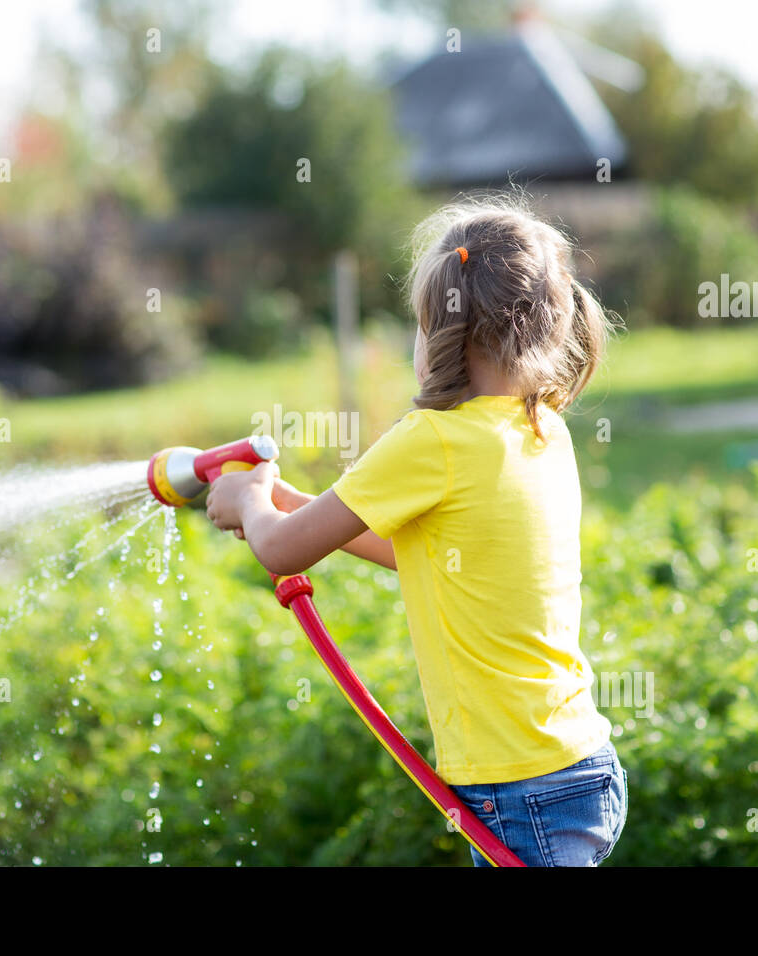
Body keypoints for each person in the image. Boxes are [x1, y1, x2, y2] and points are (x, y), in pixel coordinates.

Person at [205, 191, 628, 867]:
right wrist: (290, 498)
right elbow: (435, 557)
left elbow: (281, 550)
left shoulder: (433, 440)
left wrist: (252, 504)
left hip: (522, 788)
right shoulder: (539, 426)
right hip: (571, 767)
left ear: (439, 331)